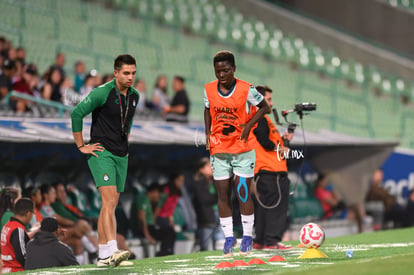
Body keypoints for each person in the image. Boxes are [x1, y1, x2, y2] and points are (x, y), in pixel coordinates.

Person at [71, 54, 139, 267]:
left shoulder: (134, 96)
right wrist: (82, 146)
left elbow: (126, 124)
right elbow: (76, 114)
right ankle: (113, 250)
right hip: (101, 152)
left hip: (121, 154)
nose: (130, 77)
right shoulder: (102, 92)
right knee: (109, 202)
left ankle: (102, 256)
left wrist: (125, 147)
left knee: (111, 203)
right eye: (126, 73)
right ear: (116, 72)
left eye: (133, 73)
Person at [203, 50, 269, 257]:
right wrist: (207, 134)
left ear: (234, 69)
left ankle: (248, 236)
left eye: (226, 70)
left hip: (242, 148)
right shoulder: (208, 90)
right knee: (222, 194)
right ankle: (229, 238)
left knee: (242, 192)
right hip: (219, 149)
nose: (221, 75)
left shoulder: (246, 89)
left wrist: (249, 126)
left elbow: (264, 107)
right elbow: (207, 109)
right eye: (218, 71)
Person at [252, 85, 293, 250]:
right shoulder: (259, 117)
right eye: (268, 99)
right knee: (276, 207)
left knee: (265, 208)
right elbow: (265, 142)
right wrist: (281, 147)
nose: (271, 103)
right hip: (271, 171)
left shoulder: (262, 119)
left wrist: (285, 141)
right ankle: (271, 241)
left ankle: (260, 241)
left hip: (267, 171)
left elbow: (272, 145)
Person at [130, 182, 176, 256]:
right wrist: (147, 235)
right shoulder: (143, 198)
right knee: (168, 232)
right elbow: (141, 218)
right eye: (158, 195)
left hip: (149, 227)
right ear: (154, 191)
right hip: (142, 229)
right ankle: (164, 253)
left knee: (169, 231)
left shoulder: (148, 200)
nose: (158, 198)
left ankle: (166, 252)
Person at [192, 157, 224, 251]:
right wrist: (215, 198)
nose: (211, 168)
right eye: (208, 166)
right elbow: (203, 199)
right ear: (201, 169)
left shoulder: (214, 181)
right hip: (206, 217)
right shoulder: (199, 183)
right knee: (205, 245)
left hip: (219, 212)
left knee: (219, 242)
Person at [0, 198, 34, 273]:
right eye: (32, 213)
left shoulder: (7, 226)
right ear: (28, 213)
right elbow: (22, 256)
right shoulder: (18, 229)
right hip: (17, 270)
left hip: (6, 270)